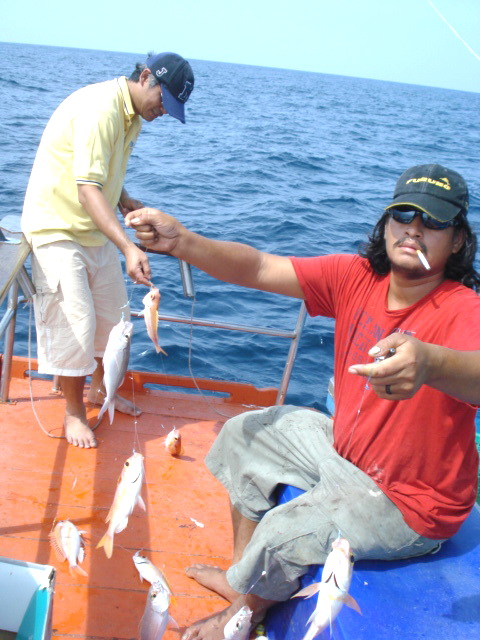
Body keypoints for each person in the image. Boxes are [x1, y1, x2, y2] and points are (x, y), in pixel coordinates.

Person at [126, 163, 480, 640]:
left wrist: (432, 363)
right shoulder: (355, 277)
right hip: (345, 454)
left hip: (409, 504)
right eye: (403, 215)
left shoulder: (463, 309)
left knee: (283, 532)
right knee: (244, 435)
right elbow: (257, 266)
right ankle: (242, 583)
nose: (414, 229)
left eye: (434, 222)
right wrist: (182, 241)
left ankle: (240, 618)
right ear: (387, 222)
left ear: (458, 239)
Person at [21, 52, 194, 449]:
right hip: (58, 228)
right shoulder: (101, 110)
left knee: (118, 322)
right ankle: (73, 412)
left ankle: (102, 390)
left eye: (172, 108)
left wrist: (124, 199)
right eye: (164, 102)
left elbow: (100, 175)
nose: (165, 112)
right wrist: (128, 248)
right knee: (75, 326)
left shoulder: (131, 115)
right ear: (146, 77)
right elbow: (86, 190)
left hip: (91, 231)